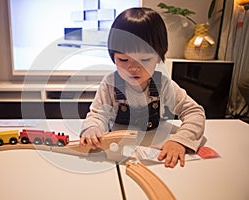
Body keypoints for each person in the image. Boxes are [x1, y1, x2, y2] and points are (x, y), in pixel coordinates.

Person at [79, 7, 205, 168]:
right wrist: (92, 128)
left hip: (154, 152)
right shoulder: (110, 84)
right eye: (124, 60)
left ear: (159, 56)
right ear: (113, 56)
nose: (133, 68)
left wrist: (180, 141)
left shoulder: (163, 85)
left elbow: (194, 112)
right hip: (116, 151)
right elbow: (97, 115)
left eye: (145, 59)